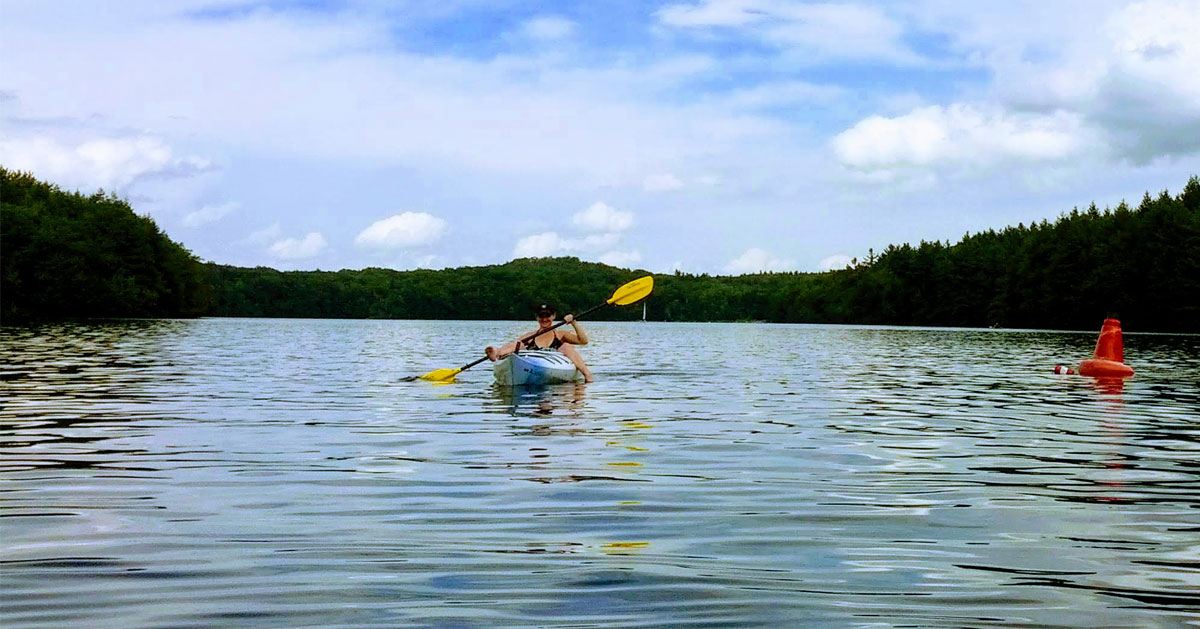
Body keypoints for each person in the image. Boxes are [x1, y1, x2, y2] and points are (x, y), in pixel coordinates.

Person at [485, 303, 595, 383]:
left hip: (555, 361)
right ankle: (497, 352)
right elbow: (515, 344)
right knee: (519, 343)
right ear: (537, 317)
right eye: (541, 316)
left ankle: (587, 373)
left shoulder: (561, 335)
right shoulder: (531, 336)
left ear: (553, 316)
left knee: (566, 346)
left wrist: (573, 322)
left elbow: (583, 341)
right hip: (535, 361)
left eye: (547, 316)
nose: (544, 319)